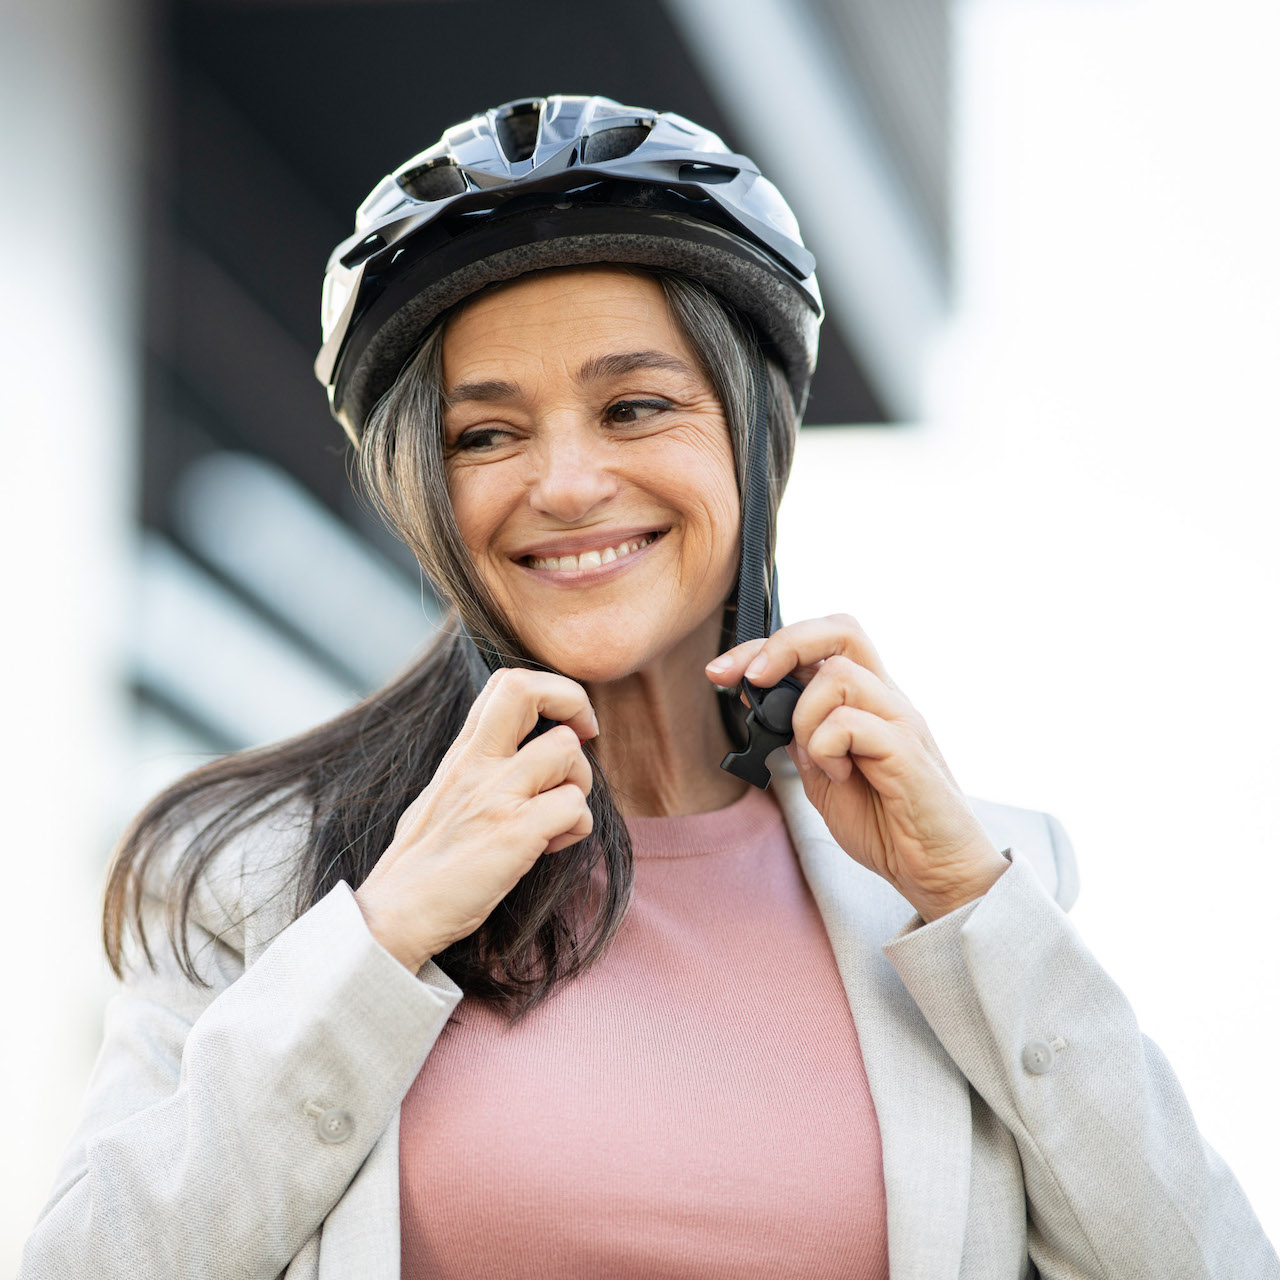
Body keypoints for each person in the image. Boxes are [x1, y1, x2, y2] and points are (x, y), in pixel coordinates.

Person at [20, 94, 1277, 1280]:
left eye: (633, 405)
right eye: (486, 432)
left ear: (749, 437)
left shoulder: (969, 884)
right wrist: (380, 934)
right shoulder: (257, 873)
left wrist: (971, 908)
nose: (564, 482)